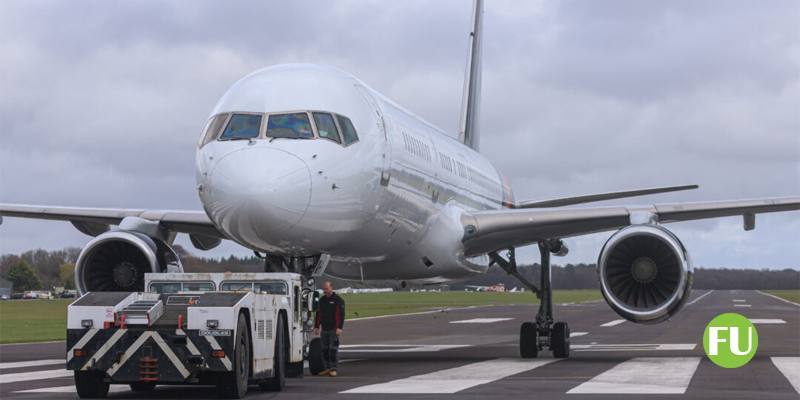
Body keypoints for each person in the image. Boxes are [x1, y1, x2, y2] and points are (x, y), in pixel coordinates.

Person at [314, 281, 345, 377]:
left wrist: (339, 327)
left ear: (331, 288)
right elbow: (318, 314)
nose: (325, 291)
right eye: (324, 289)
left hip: (333, 329)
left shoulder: (338, 300)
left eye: (327, 289)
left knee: (332, 349)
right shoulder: (322, 300)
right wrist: (316, 326)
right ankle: (327, 368)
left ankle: (333, 368)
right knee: (324, 350)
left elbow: (341, 315)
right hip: (324, 329)